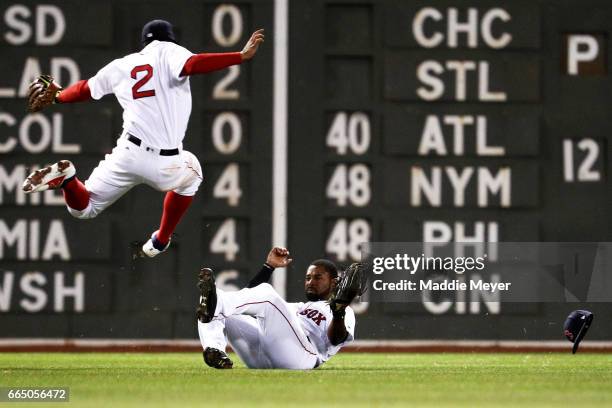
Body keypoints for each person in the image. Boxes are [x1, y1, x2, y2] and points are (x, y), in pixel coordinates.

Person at [21, 20, 264, 257]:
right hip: (165, 163)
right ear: (170, 39)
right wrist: (238, 56)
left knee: (85, 209)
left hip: (127, 153)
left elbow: (85, 88)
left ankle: (68, 179)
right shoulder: (170, 51)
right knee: (194, 173)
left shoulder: (122, 65)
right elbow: (192, 64)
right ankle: (160, 240)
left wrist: (59, 97)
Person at [196, 247, 359, 369]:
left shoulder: (346, 312)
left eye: (317, 277)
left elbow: (337, 338)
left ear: (334, 282)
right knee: (222, 307)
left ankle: (215, 303)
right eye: (308, 278)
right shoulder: (299, 307)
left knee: (265, 294)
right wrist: (269, 267)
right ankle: (214, 351)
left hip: (303, 356)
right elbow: (249, 295)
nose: (310, 282)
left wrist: (339, 311)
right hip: (263, 357)